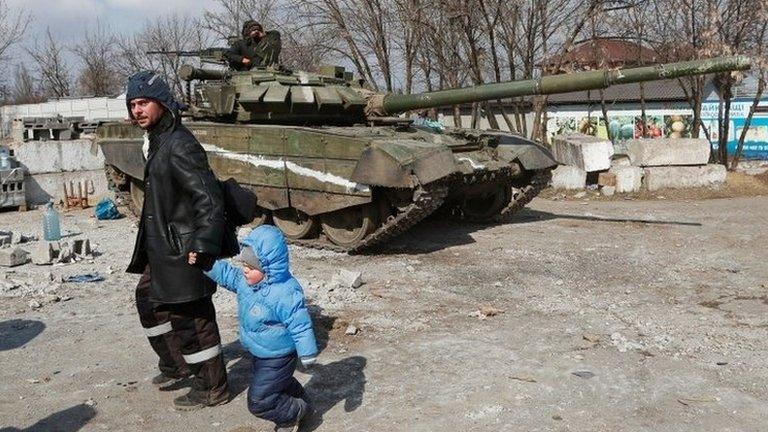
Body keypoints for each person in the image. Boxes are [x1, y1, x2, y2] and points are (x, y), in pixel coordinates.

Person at [124, 70, 231, 410]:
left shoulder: (180, 144)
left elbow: (209, 198)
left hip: (183, 249)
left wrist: (203, 244)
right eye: (132, 104)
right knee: (149, 301)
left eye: (144, 102)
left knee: (192, 319)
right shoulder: (158, 140)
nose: (137, 110)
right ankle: (177, 364)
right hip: (162, 247)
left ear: (162, 103)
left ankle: (211, 387)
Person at [190, 225, 318, 432]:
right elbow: (227, 275)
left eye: (252, 266)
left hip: (279, 355)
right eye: (244, 264)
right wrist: (207, 264)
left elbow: (300, 324)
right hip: (259, 352)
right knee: (278, 385)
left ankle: (295, 412)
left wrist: (308, 353)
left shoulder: (284, 292)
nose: (245, 269)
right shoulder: (245, 282)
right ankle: (299, 402)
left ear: (268, 267)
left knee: (259, 401)